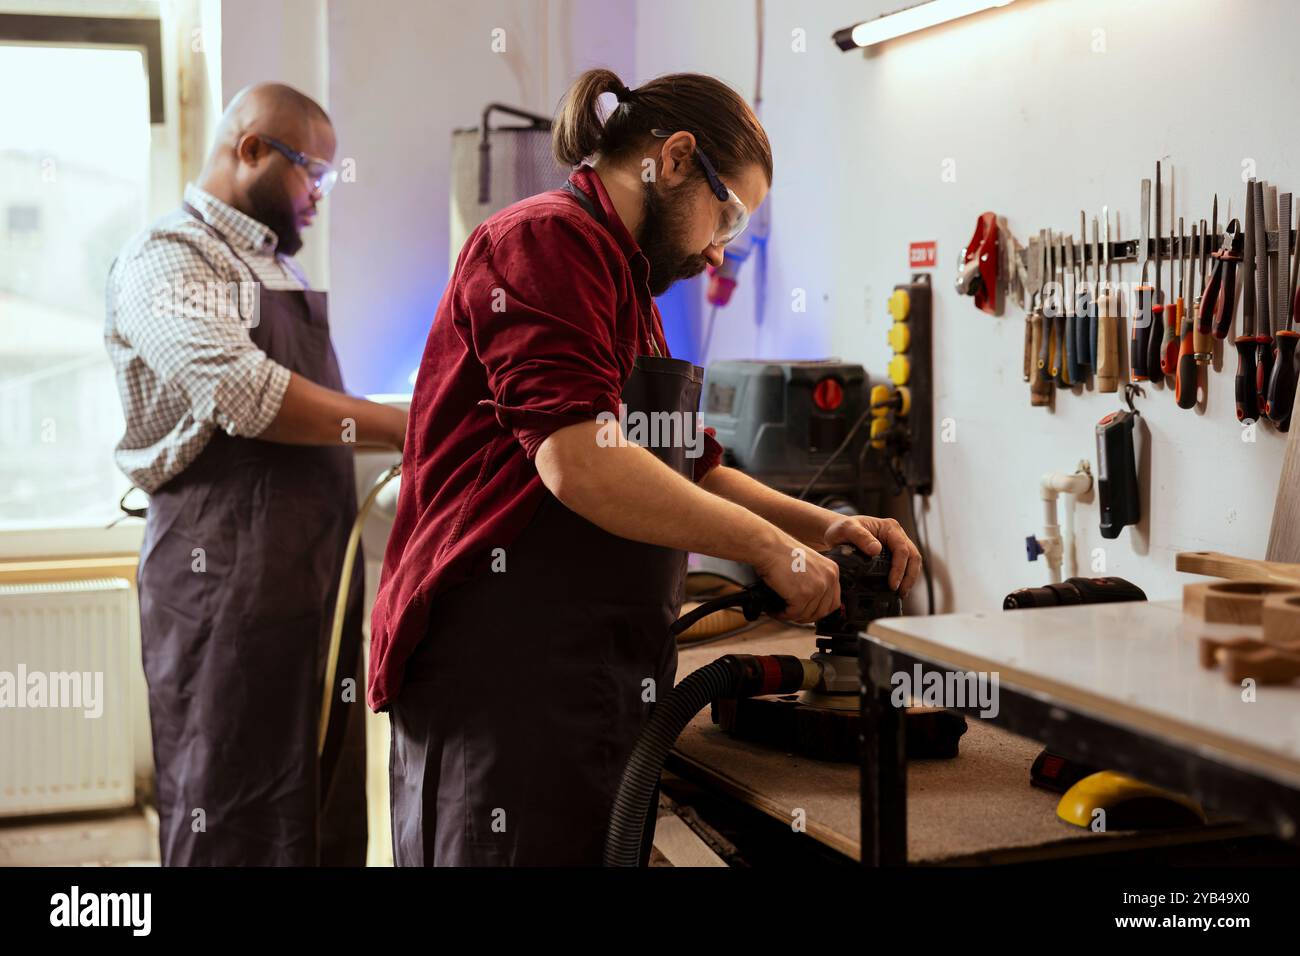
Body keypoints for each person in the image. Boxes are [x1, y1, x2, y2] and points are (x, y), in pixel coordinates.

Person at [371, 69, 921, 866]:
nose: (719, 247)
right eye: (726, 210)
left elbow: (687, 464)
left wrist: (824, 525)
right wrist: (770, 550)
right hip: (507, 670)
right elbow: (579, 465)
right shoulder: (542, 243)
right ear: (674, 157)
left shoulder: (623, 280)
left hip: (592, 666)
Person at [105, 82, 407, 866]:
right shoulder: (167, 257)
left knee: (319, 798)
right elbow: (247, 394)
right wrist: (413, 427)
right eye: (314, 173)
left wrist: (436, 418)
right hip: (222, 582)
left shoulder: (279, 273)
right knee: (230, 800)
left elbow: (327, 412)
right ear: (250, 151)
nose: (320, 197)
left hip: (314, 582)